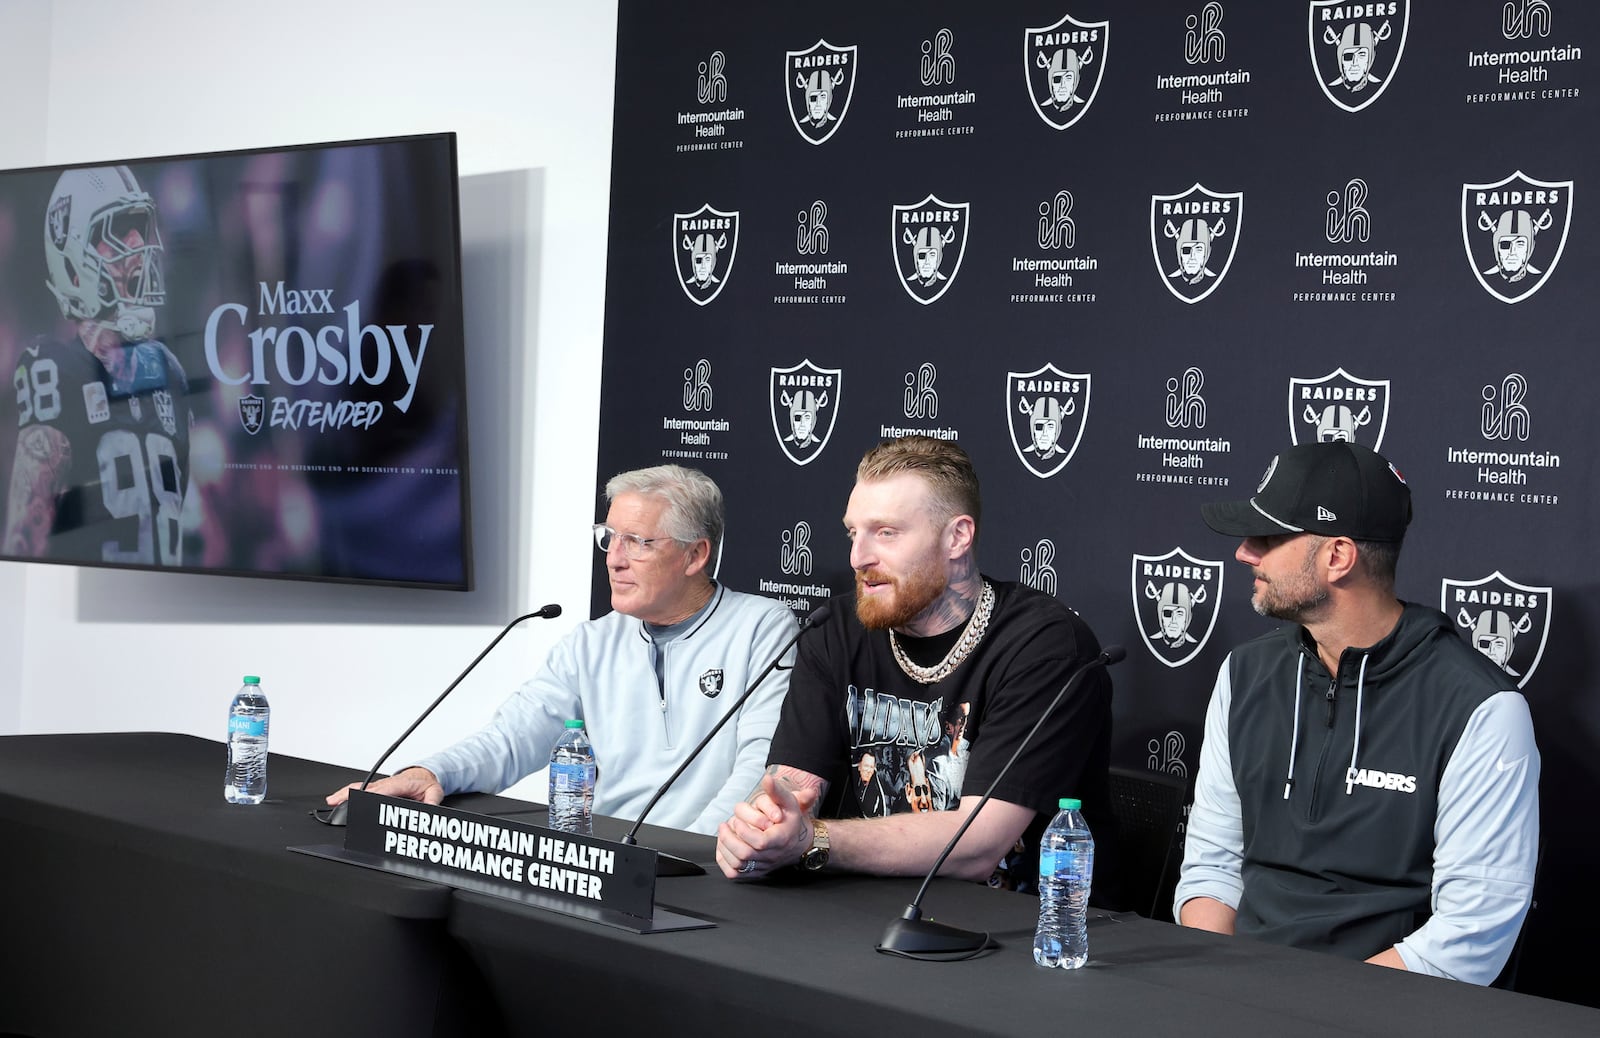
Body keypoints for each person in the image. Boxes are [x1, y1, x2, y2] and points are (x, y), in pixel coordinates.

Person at [1175, 441, 1540, 985]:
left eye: (1269, 538)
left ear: (1338, 557)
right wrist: (1218, 990)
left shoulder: (1481, 709)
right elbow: (1213, 865)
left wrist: (1313, 1012)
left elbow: (1472, 933)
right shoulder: (1244, 674)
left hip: (1386, 1009)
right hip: (1239, 991)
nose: (1244, 553)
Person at [715, 436, 1112, 888]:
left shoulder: (1044, 646)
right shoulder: (834, 630)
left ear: (957, 537)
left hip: (1019, 930)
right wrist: (761, 829)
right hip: (864, 916)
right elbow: (791, 791)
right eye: (853, 532)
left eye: (886, 532)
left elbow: (978, 846)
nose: (858, 557)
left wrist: (814, 840)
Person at [325, 464, 798, 835]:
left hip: (709, 866)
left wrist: (698, 853)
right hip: (613, 863)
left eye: (638, 542)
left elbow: (761, 768)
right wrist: (432, 772)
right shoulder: (592, 643)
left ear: (696, 555)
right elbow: (513, 737)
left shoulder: (762, 627)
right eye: (609, 538)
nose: (614, 559)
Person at [4, 165, 193, 565]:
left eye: (140, 225)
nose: (137, 242)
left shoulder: (170, 375)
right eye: (118, 228)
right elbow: (23, 542)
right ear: (72, 262)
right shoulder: (54, 369)